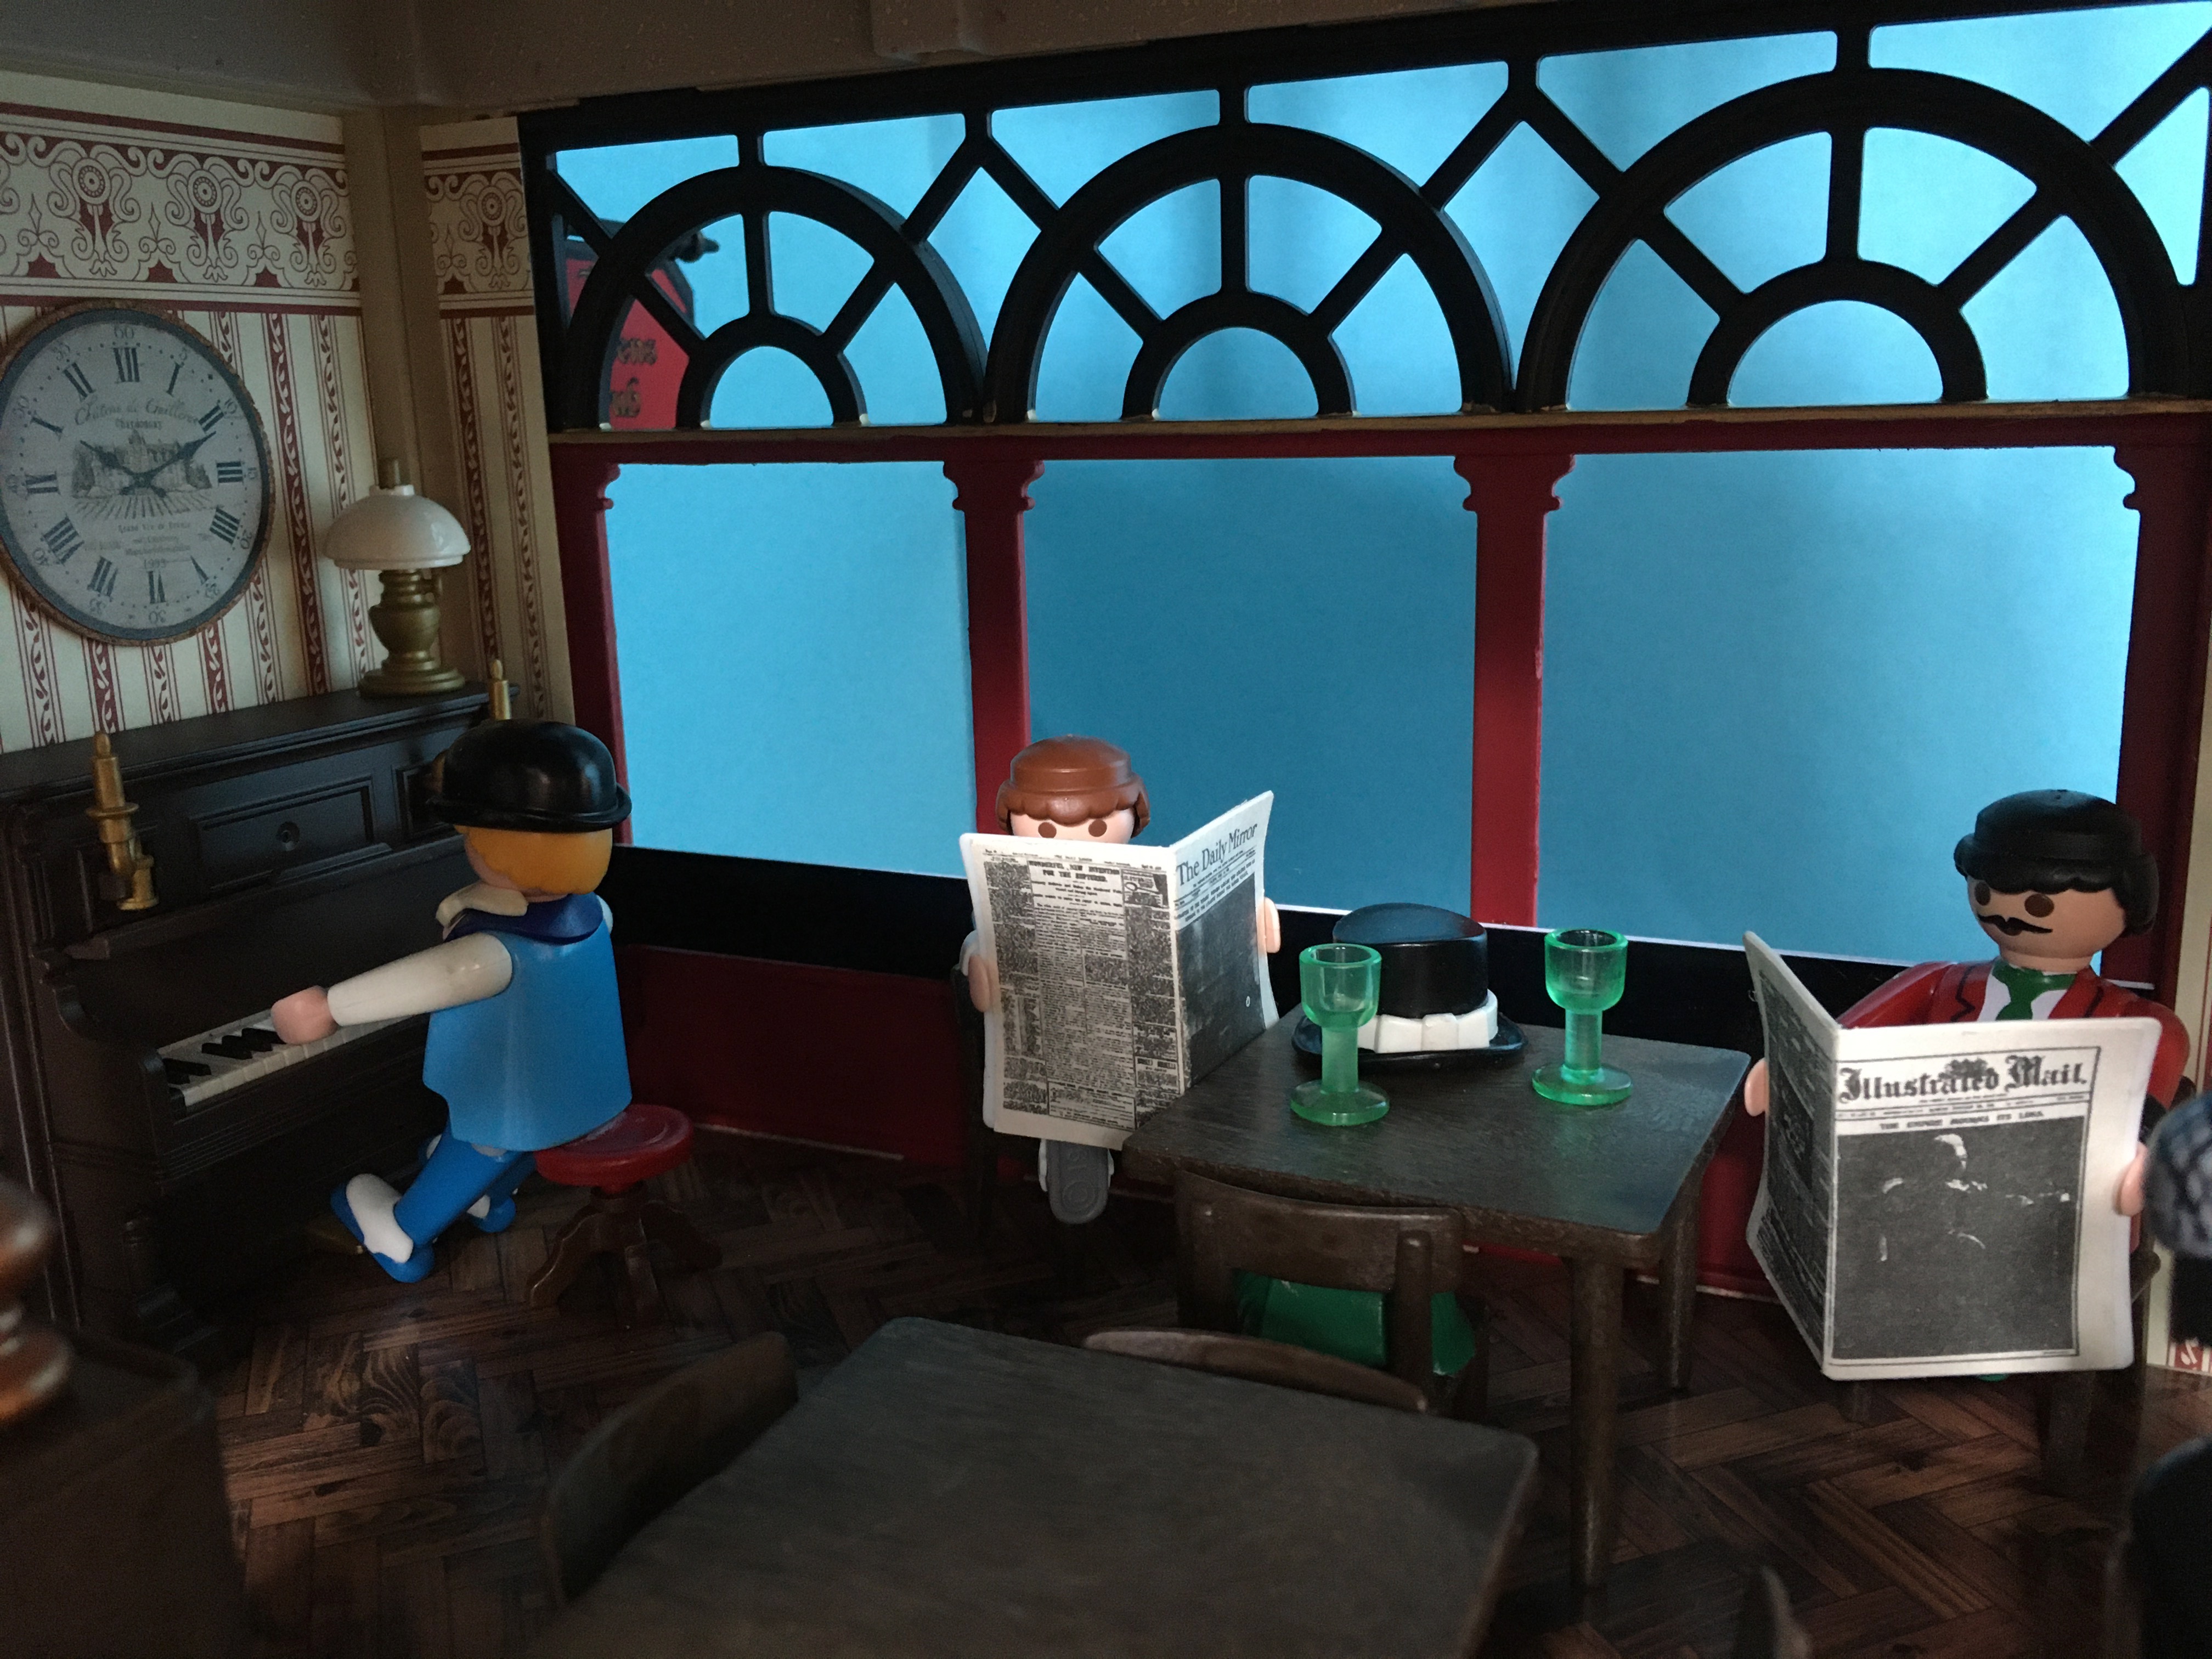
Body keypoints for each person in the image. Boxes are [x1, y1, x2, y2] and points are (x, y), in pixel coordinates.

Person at [272, 720, 633, 1283]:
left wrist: (329, 1008)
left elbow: (431, 978)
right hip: (584, 1095)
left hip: (514, 1098)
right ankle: (489, 1198)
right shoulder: (594, 914)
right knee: (512, 1143)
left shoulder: (491, 953)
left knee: (482, 1140)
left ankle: (403, 1232)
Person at [1745, 792, 2190, 1148]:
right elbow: (1840, 1041)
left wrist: (2136, 1156)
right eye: (1985, 893)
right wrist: (1793, 1073)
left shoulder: (2140, 1023)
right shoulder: (1939, 982)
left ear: (2133, 898)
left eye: (2040, 903)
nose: (2010, 913)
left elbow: (2143, 1122)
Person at [960, 736, 1281, 1223]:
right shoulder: (1010, 889)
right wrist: (980, 965)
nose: (1075, 840)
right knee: (1073, 1078)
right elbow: (981, 934)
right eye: (1046, 828)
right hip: (1067, 1042)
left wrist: (1251, 919)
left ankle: (1220, 1186)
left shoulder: (1146, 881)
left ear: (1134, 813)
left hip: (1151, 1027)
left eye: (1096, 826)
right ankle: (1074, 1148)